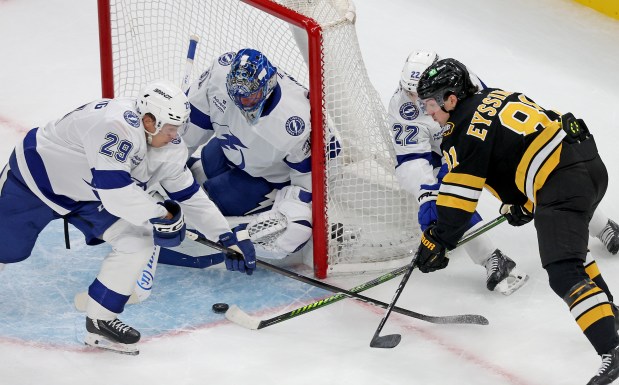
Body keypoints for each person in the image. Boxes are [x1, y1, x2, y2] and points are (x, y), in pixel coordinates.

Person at [0, 80, 256, 355]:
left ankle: (101, 321)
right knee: (3, 250)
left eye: (178, 127)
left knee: (138, 240)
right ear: (149, 121)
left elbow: (189, 195)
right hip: (33, 181)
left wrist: (225, 236)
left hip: (87, 194)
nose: (175, 135)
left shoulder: (169, 146)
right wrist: (161, 216)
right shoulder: (116, 127)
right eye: (171, 127)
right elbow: (116, 195)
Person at [414, 58, 619, 385]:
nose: (430, 113)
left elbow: (456, 207)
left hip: (560, 181)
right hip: (588, 163)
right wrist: (525, 201)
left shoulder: (461, 131)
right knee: (573, 252)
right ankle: (611, 317)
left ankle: (612, 346)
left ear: (451, 98)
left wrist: (435, 242)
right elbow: (515, 152)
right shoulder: (495, 95)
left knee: (564, 269)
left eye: (430, 104)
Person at [389, 50, 528, 295]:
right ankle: (492, 258)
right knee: (449, 201)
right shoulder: (403, 108)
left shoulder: (459, 80)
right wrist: (427, 194)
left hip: (475, 140)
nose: (415, 100)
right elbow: (412, 158)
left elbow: (478, 120)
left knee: (532, 178)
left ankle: (599, 225)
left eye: (418, 92)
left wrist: (454, 167)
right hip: (440, 152)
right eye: (410, 93)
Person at [179, 48, 315, 259]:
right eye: (237, 96)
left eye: (251, 97)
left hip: (268, 179)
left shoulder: (296, 122)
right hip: (231, 149)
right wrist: (165, 163)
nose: (243, 104)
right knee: (204, 162)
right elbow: (190, 126)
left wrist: (292, 213)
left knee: (214, 198)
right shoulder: (220, 73)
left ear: (268, 86)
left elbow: (309, 182)